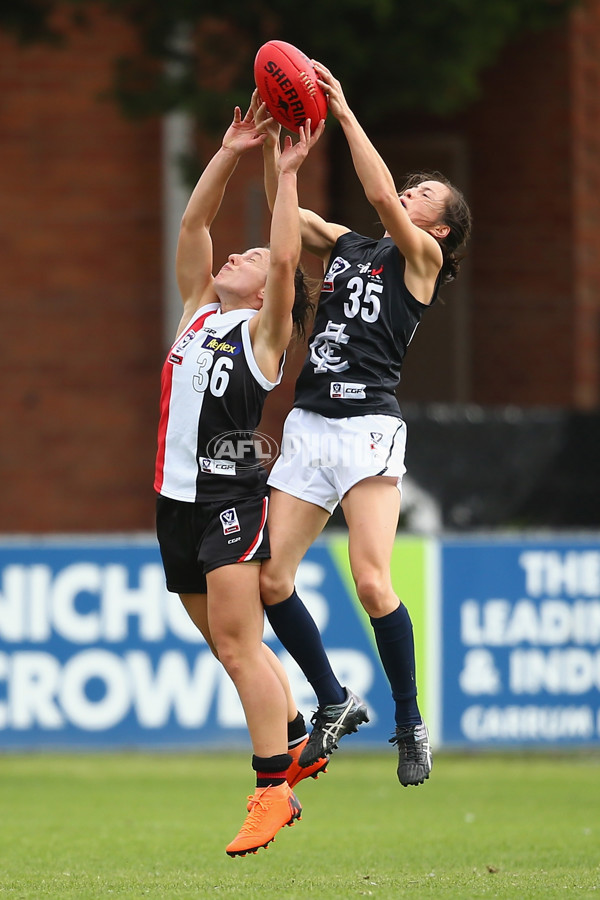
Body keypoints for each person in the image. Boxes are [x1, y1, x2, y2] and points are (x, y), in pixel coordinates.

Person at [256, 62, 472, 786]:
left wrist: (342, 112)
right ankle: (334, 700)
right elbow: (291, 226)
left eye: (425, 196)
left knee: (373, 583)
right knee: (272, 581)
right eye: (413, 186)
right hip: (311, 423)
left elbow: (380, 194)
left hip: (365, 428)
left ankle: (409, 721)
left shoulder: (422, 259)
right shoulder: (353, 246)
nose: (410, 194)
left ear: (439, 227)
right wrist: (278, 158)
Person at [154, 97, 325, 856]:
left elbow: (286, 258)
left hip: (229, 501)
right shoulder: (197, 311)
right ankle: (294, 736)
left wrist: (285, 176)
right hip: (174, 503)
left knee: (235, 645)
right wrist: (229, 151)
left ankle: (271, 790)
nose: (237, 255)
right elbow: (192, 228)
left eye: (248, 258)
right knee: (232, 649)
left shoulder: (265, 335)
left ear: (265, 295)